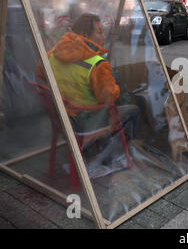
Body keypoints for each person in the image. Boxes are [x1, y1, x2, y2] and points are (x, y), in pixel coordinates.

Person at [38, 13, 139, 177]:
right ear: (85, 35)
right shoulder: (98, 64)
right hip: (85, 121)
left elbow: (40, 73)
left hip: (61, 117)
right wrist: (115, 85)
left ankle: (93, 151)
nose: (104, 36)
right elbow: (108, 97)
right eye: (99, 32)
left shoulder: (51, 54)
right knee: (133, 110)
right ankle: (104, 159)